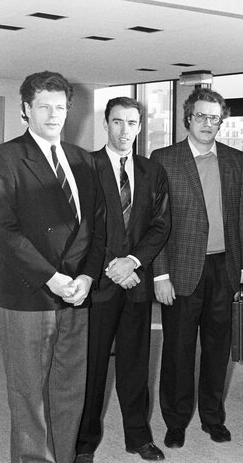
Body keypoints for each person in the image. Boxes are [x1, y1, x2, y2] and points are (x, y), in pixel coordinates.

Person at [0, 71, 105, 463]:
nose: (53, 115)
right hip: (29, 294)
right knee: (28, 397)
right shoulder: (5, 157)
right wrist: (53, 278)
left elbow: (96, 225)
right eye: (44, 106)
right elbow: (3, 231)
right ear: (26, 110)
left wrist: (87, 276)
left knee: (68, 392)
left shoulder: (82, 160)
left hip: (76, 294)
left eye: (60, 107)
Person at [151, 88, 243, 449]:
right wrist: (159, 274)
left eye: (215, 118)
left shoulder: (234, 159)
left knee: (217, 347)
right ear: (188, 118)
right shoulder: (163, 158)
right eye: (201, 116)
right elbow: (157, 223)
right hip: (181, 270)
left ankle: (213, 418)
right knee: (178, 350)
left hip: (225, 268)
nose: (208, 124)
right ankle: (176, 421)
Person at [75, 98, 171, 462]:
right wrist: (110, 268)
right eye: (117, 122)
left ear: (140, 126)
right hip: (97, 285)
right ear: (106, 124)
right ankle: (84, 444)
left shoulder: (152, 172)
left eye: (132, 122)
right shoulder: (86, 166)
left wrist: (131, 263)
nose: (125, 130)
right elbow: (83, 229)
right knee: (93, 368)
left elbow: (161, 225)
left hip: (136, 284)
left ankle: (138, 438)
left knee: (135, 365)